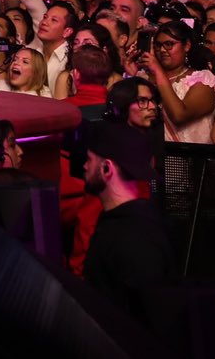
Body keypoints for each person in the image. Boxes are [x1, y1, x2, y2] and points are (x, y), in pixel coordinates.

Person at [79, 120, 176, 336]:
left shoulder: (136, 239)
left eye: (89, 160)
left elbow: (149, 322)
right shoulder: (117, 222)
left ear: (106, 168)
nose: (85, 166)